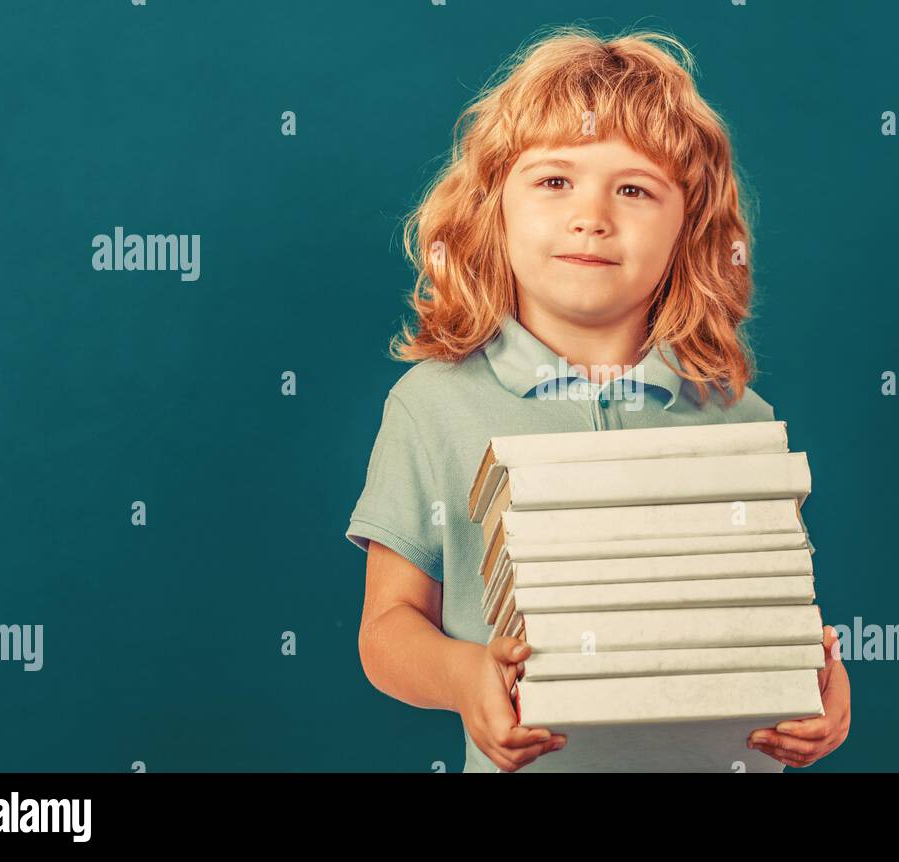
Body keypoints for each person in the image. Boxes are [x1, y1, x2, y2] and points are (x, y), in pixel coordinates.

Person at [346, 25, 850, 773]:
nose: (593, 216)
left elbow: (774, 618)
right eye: (555, 181)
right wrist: (465, 675)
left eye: (635, 189)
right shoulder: (433, 405)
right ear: (495, 210)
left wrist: (828, 688)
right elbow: (386, 629)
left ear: (690, 228)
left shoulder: (740, 417)